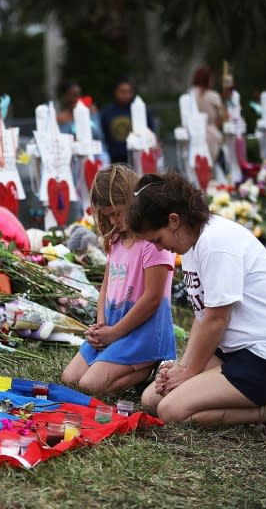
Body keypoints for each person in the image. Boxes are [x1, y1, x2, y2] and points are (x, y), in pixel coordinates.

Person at [128, 173, 266, 443]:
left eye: (157, 238)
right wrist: (183, 366)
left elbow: (216, 320)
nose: (159, 247)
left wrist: (189, 372)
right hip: (238, 350)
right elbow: (203, 315)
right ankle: (262, 398)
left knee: (170, 410)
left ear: (174, 220)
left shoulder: (216, 244)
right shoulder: (192, 244)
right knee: (152, 398)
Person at [61, 164, 176, 396]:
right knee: (70, 379)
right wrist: (102, 324)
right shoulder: (116, 239)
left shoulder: (153, 241)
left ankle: (147, 368)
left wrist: (114, 334)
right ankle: (117, 361)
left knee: (89, 386)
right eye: (108, 215)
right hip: (114, 325)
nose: (114, 221)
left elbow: (153, 298)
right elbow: (106, 286)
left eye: (117, 212)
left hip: (142, 332)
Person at [99, 78, 155, 164]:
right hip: (115, 158)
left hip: (138, 156)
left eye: (128, 92)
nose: (126, 95)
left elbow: (151, 131)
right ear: (115, 92)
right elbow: (103, 134)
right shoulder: (107, 112)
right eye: (122, 92)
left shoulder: (140, 110)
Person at [190, 65, 224, 164]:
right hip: (211, 134)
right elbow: (221, 118)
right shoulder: (213, 96)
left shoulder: (190, 95)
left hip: (194, 135)